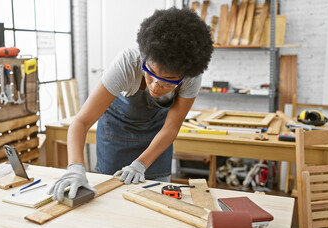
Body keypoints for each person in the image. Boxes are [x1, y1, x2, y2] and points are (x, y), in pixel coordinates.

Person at [49, 7, 213, 201]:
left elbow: (170, 128)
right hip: (116, 135)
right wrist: (75, 168)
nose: (155, 85)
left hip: (157, 137)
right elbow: (81, 122)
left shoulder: (190, 76)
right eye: (150, 72)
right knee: (111, 200)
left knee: (158, 200)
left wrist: (140, 164)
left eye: (168, 81)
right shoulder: (127, 63)